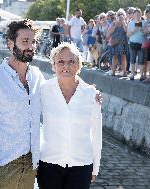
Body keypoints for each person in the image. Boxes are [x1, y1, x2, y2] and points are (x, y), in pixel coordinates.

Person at [0, 19, 102, 189]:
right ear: (10, 44)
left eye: (33, 41)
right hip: (2, 167)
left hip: (31, 167)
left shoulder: (37, 77)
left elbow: (63, 82)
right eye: (25, 41)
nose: (31, 46)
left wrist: (89, 91)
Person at [37, 42, 102, 189]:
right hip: (49, 164)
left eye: (71, 61)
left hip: (81, 165)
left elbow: (96, 133)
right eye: (60, 62)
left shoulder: (91, 94)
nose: (66, 66)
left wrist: (95, 167)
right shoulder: (43, 90)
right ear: (54, 66)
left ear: (79, 65)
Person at [107, 9, 128, 76]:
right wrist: (115, 25)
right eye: (118, 14)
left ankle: (124, 72)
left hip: (123, 42)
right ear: (116, 16)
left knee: (123, 56)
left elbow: (126, 31)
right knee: (114, 56)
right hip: (115, 42)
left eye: (122, 14)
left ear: (124, 16)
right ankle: (113, 71)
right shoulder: (113, 23)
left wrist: (123, 22)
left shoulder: (125, 23)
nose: (120, 16)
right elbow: (110, 32)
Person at [127, 8, 145, 80]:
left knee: (141, 60)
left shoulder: (144, 22)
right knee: (132, 59)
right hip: (132, 43)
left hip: (141, 44)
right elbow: (128, 34)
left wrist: (141, 29)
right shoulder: (130, 23)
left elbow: (145, 34)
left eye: (138, 14)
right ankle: (132, 74)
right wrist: (133, 30)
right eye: (135, 14)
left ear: (141, 14)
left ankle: (141, 75)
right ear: (133, 15)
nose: (137, 15)